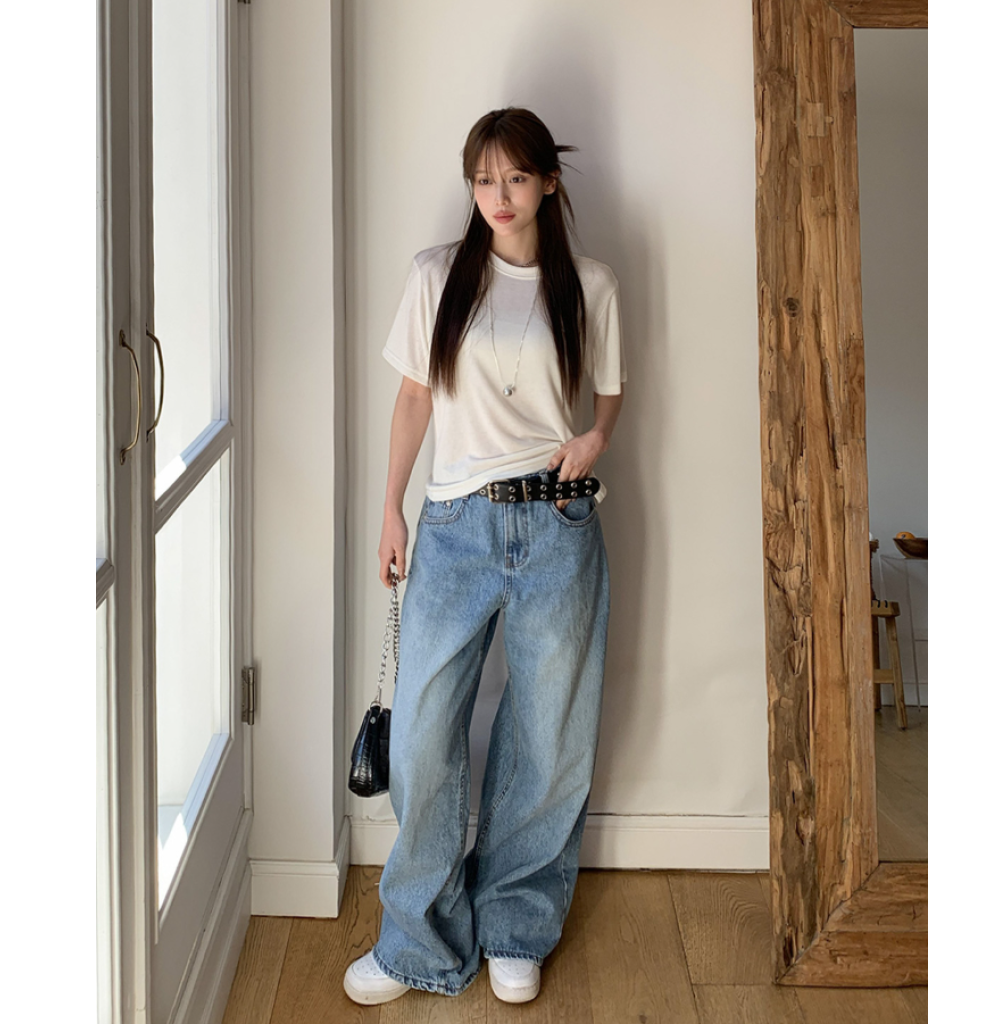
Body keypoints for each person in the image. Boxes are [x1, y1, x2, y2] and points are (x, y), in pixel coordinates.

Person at [344, 107, 626, 1006]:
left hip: (558, 525)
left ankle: (515, 924)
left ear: (549, 182)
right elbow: (413, 400)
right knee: (425, 735)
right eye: (482, 180)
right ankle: (418, 943)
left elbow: (610, 391)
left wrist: (595, 438)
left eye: (515, 178)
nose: (498, 196)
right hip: (455, 526)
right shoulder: (437, 275)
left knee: (548, 734)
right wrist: (389, 508)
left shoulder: (590, 284)